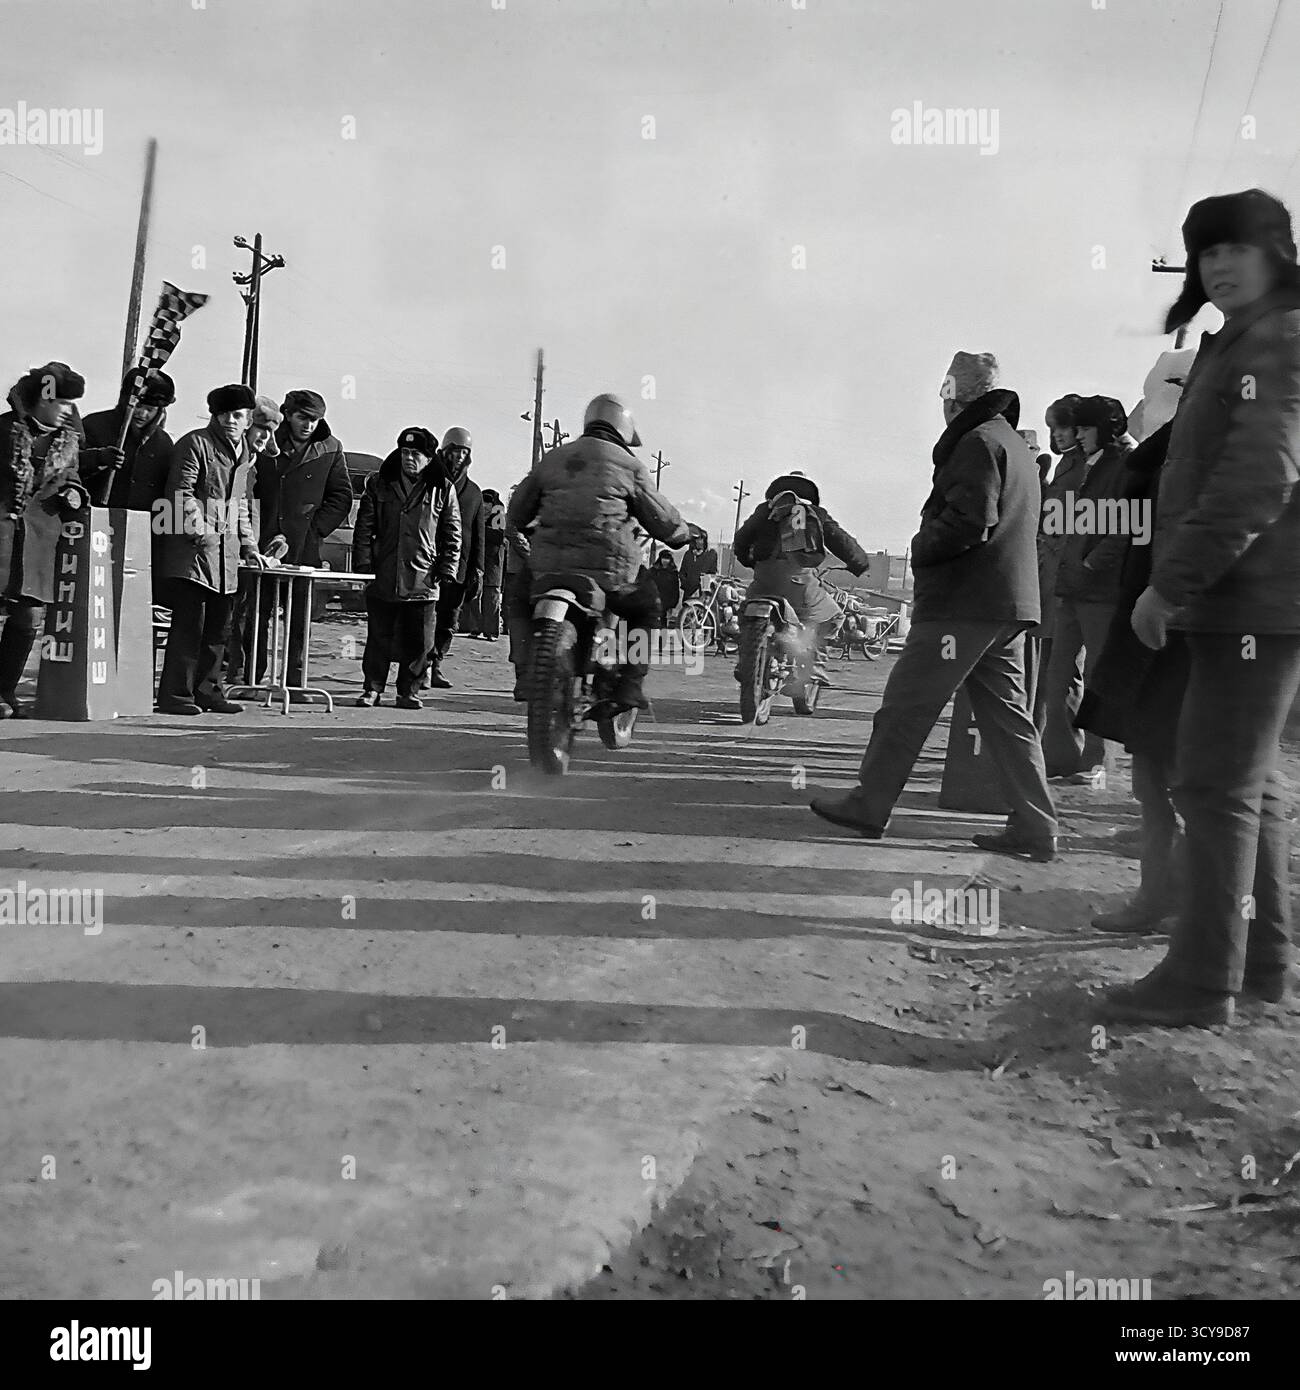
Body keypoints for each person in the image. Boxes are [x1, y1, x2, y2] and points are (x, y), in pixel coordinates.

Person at [1104, 188, 1300, 1027]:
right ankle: (1260, 960)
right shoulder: (1240, 343)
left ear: (1276, 254)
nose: (1218, 265)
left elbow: (1258, 479)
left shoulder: (1277, 341)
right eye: (1205, 252)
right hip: (1249, 600)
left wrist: (1169, 585)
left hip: (1249, 601)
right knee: (1249, 790)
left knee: (1213, 786)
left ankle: (1200, 980)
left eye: (1235, 248)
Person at [809, 351, 1058, 858]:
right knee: (1009, 721)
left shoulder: (975, 443)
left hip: (961, 605)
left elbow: (970, 523)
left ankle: (870, 803)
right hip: (1007, 606)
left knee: (905, 707)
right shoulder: (1012, 445)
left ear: (953, 400)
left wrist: (920, 547)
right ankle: (1037, 824)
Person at [506, 393, 690, 709]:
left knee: (519, 600)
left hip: (547, 568)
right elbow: (664, 522)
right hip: (609, 572)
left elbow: (517, 513)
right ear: (623, 429)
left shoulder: (554, 458)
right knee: (648, 608)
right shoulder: (630, 466)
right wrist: (682, 533)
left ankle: (525, 672)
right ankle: (630, 684)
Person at [1076, 420, 1185, 934]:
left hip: (1183, 628)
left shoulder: (1215, 443)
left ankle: (1195, 915)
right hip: (1157, 620)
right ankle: (1166, 898)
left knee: (1192, 786)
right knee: (1157, 779)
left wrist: (1164, 594)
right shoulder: (1163, 455)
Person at [1040, 394, 1135, 784]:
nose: (1075, 435)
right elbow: (1065, 523)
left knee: (1099, 677)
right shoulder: (1082, 466)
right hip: (1071, 589)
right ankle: (1060, 755)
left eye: (1083, 428)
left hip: (1102, 591)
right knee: (1058, 674)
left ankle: (1096, 760)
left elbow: (1126, 530)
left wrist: (1088, 565)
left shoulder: (1127, 467)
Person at [156, 384, 267, 715]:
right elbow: (180, 492)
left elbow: (241, 504)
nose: (230, 421)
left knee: (219, 629)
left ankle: (209, 691)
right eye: (223, 415)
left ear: (248, 419)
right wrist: (199, 530)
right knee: (190, 627)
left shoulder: (245, 455)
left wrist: (248, 545)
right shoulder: (195, 444)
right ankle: (176, 696)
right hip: (193, 556)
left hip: (227, 556)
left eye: (237, 415)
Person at [0, 362, 91, 718]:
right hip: (2, 537)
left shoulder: (68, 444)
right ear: (42, 400)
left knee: (28, 621)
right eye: (62, 403)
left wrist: (74, 495)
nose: (68, 410)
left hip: (39, 542)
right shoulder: (3, 430)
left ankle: (5, 690)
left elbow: (73, 480)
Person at [352, 427, 461, 708]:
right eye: (405, 452)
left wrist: (447, 568)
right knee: (378, 636)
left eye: (416, 454)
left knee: (419, 642)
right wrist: (364, 565)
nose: (409, 458)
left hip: (424, 576)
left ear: (428, 458)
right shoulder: (380, 483)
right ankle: (372, 688)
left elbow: (452, 532)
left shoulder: (442, 487)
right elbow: (364, 527)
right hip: (385, 573)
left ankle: (407, 691)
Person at [252, 389, 351, 695]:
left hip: (303, 544)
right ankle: (251, 678)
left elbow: (341, 496)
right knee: (255, 613)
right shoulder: (266, 439)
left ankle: (296, 682)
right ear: (288, 414)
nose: (308, 425)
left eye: (315, 419)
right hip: (260, 540)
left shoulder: (330, 448)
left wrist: (315, 531)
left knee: (298, 619)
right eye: (302, 418)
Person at [732, 472, 870, 673]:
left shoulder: (764, 510)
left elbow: (741, 541)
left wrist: (751, 562)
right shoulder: (814, 513)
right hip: (800, 585)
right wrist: (860, 564)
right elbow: (844, 544)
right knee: (835, 616)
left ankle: (745, 660)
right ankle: (814, 666)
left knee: (746, 613)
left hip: (763, 581)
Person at [225, 395, 284, 686]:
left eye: (270, 431)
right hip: (224, 548)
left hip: (248, 549)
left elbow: (252, 509)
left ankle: (246, 675)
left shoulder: (258, 463)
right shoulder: (237, 459)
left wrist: (263, 542)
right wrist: (248, 545)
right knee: (229, 617)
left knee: (249, 614)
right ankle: (234, 674)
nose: (265, 436)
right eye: (261, 428)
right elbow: (235, 507)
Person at [427, 427, 483, 688]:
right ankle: (420, 666)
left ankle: (436, 664)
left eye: (464, 452)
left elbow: (478, 535)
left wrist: (478, 570)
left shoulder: (473, 492)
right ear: (444, 451)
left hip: (459, 567)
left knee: (449, 620)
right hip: (428, 563)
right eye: (454, 451)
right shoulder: (429, 481)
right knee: (424, 617)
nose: (458, 457)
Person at [463, 487, 506, 639]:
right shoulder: (476, 512)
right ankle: (476, 627)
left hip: (493, 561)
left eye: (488, 501)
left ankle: (491, 631)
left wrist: (479, 530)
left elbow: (498, 535)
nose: (486, 505)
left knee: (491, 597)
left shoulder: (499, 512)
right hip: (477, 559)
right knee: (474, 593)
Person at [679, 528, 717, 603]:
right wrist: (686, 584)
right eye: (697, 539)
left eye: (701, 539)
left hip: (703, 593)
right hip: (689, 592)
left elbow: (712, 573)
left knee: (701, 612)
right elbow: (682, 572)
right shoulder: (688, 554)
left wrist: (705, 590)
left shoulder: (710, 555)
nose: (699, 542)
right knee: (686, 611)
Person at [649, 550, 681, 627]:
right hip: (653, 601)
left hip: (666, 603)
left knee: (663, 624)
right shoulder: (653, 570)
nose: (665, 561)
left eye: (667, 558)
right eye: (664, 558)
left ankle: (662, 638)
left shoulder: (673, 572)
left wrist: (673, 605)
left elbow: (675, 589)